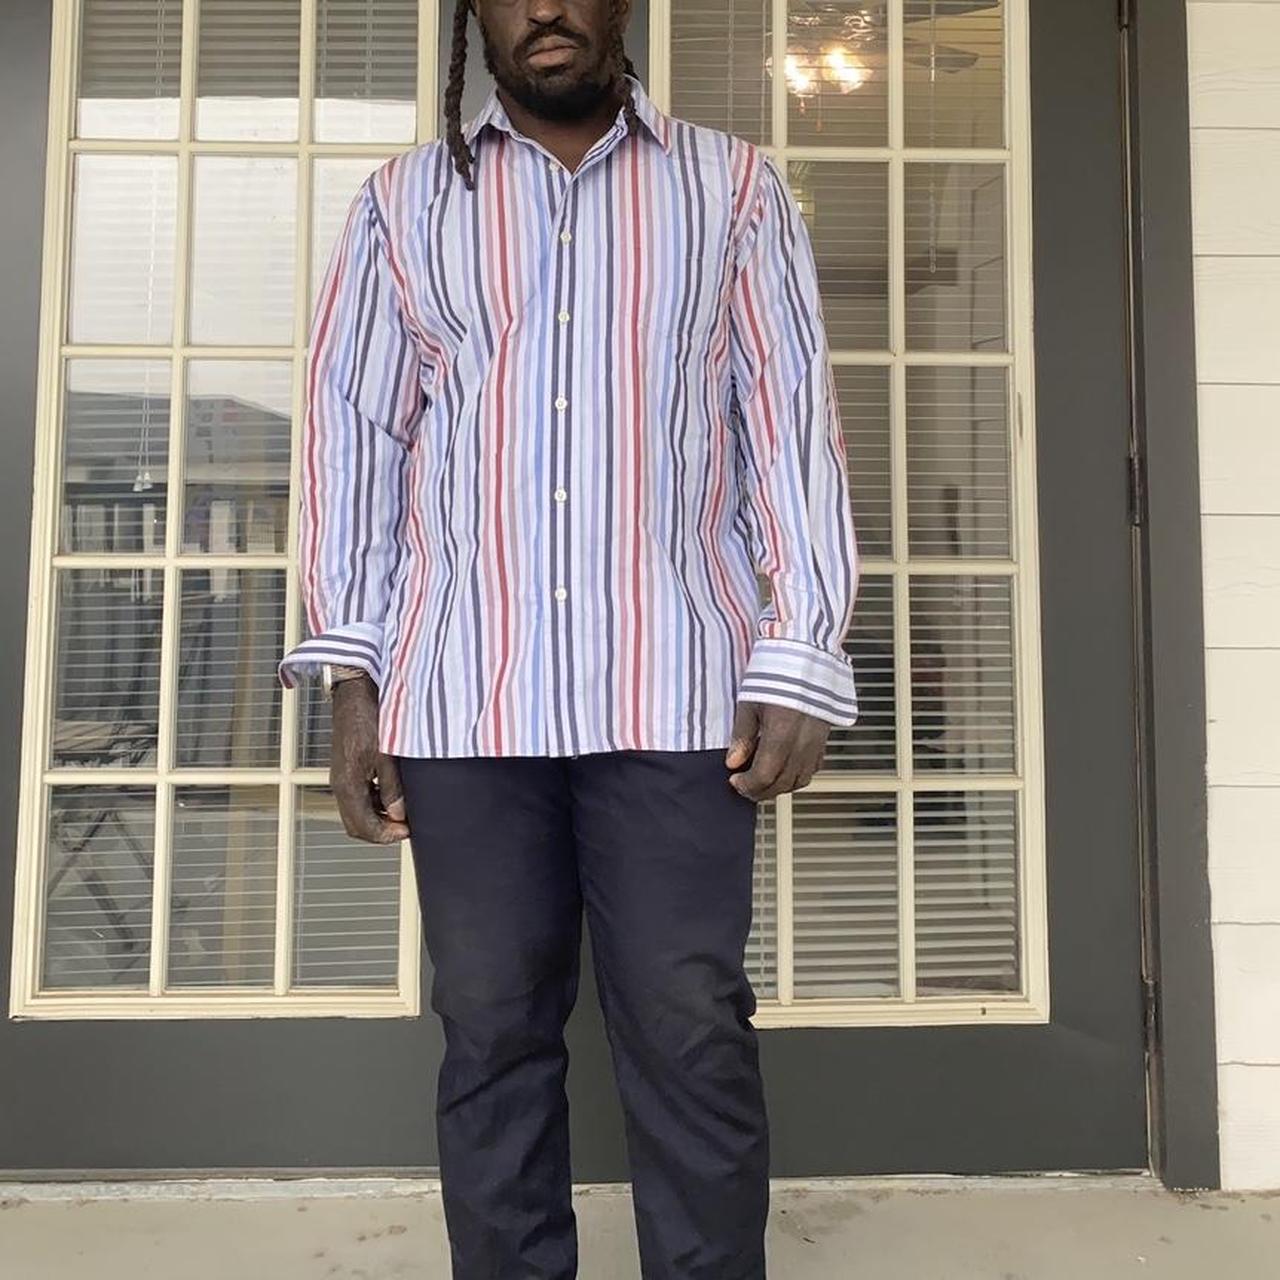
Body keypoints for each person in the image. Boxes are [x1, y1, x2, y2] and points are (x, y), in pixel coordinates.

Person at [277, 1, 860, 1275]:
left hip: (675, 690)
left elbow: (787, 427)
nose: (543, 7)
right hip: (464, 694)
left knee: (690, 1024)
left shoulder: (734, 190)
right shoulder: (398, 207)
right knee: (490, 1027)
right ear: (474, 15)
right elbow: (353, 443)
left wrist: (799, 648)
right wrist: (352, 684)